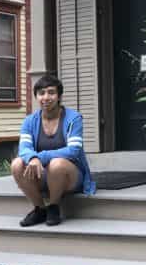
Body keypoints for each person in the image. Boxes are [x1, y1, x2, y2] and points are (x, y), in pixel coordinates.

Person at [12, 75, 96, 226]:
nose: (46, 97)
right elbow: (24, 148)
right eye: (41, 93)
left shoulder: (73, 118)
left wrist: (39, 157)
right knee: (17, 164)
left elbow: (74, 151)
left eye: (51, 92)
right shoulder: (29, 121)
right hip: (42, 175)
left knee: (56, 164)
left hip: (70, 176)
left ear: (59, 96)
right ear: (36, 96)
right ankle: (40, 209)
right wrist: (32, 158)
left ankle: (53, 206)